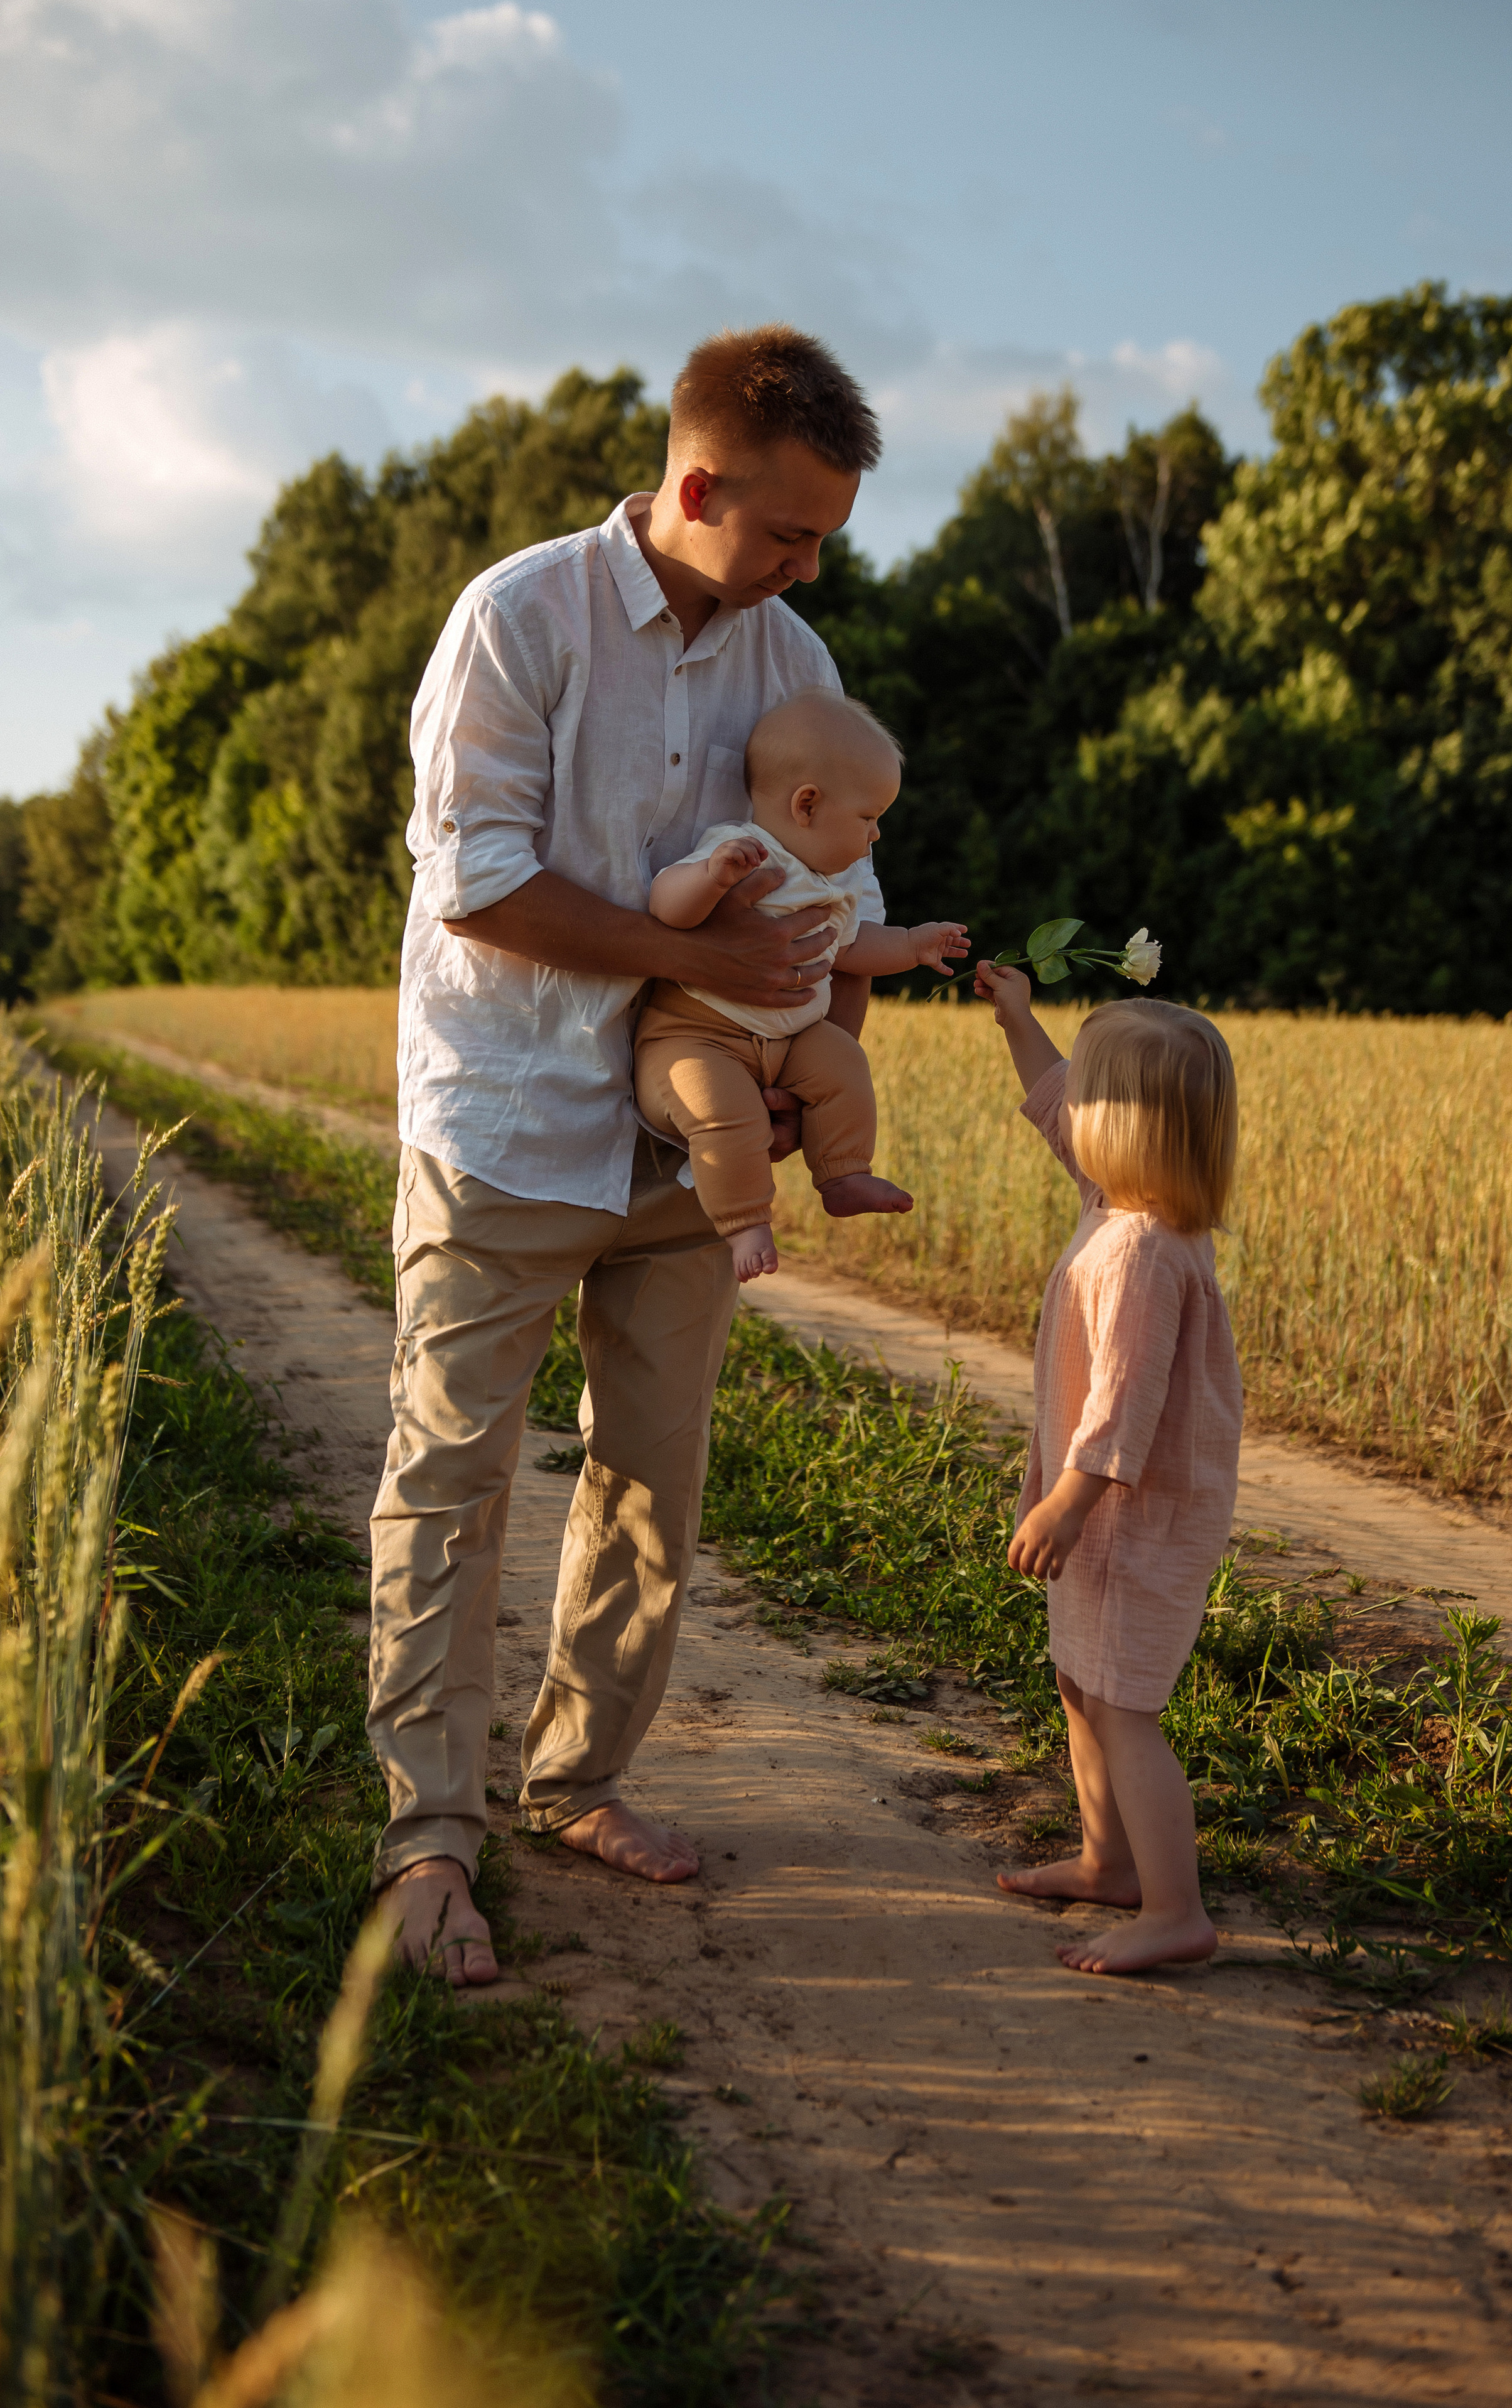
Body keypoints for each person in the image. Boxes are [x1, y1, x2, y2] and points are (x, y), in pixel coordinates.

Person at [368, 325, 885, 1986]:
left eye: (826, 540)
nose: (809, 568)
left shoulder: (787, 654)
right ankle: (429, 1837)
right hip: (509, 1114)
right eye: (790, 531)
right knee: (450, 1488)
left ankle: (578, 1779)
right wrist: (720, 974)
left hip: (683, 1149)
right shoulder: (518, 616)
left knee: (654, 1484)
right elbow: (483, 882)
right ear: (699, 481)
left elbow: (830, 910)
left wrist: (817, 1071)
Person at [974, 960, 1243, 1976]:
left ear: (1125, 1127)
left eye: (1089, 1093)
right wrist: (1017, 1018)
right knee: (1080, 1681)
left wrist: (1067, 1501)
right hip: (1106, 1511)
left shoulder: (1140, 1254)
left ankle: (1175, 1905)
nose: (1068, 1105)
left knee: (1124, 1701)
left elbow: (1123, 1404)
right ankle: (1108, 1858)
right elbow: (1053, 1107)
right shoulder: (1122, 1201)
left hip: (1126, 1510)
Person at [635, 686, 969, 1281]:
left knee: (844, 1062)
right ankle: (744, 1221)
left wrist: (914, 944)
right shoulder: (741, 852)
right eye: (868, 818)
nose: (875, 836)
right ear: (807, 805)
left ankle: (843, 1171)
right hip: (695, 1037)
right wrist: (711, 881)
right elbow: (666, 907)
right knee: (722, 1111)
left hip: (790, 1041)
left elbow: (853, 950)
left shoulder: (831, 885)